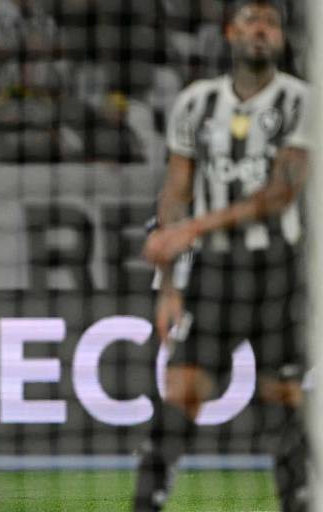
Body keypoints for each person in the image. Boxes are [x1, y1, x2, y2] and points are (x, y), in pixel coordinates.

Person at [134, 1, 310, 511]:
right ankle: (148, 501)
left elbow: (281, 193)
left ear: (280, 37)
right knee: (182, 391)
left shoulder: (302, 101)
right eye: (251, 20)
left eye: (271, 22)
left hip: (279, 269)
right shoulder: (196, 103)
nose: (260, 30)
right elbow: (175, 194)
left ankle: (297, 500)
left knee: (282, 401)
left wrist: (190, 228)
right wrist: (168, 289)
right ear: (230, 32)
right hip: (212, 274)